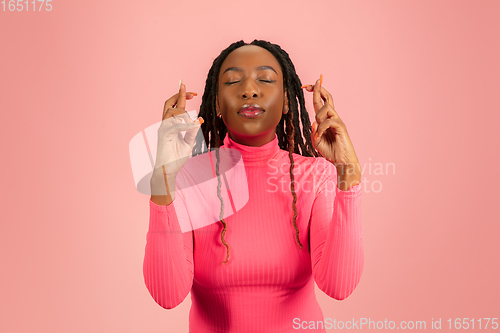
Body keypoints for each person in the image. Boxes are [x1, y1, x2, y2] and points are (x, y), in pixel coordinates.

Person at [144, 40, 363, 333]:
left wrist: (348, 174)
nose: (249, 90)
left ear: (287, 102)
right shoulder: (187, 179)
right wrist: (162, 180)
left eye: (265, 79)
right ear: (217, 103)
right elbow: (167, 295)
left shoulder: (316, 175)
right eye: (233, 81)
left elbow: (339, 286)